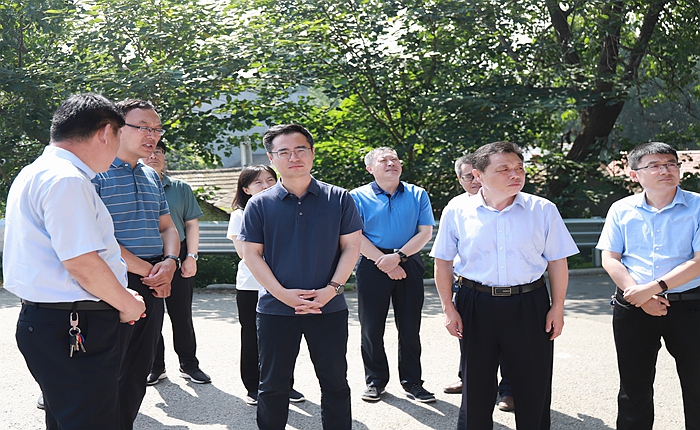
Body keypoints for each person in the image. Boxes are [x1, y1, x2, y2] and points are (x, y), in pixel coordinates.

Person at [4, 93, 146, 429]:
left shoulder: (36, 172)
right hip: (75, 324)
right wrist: (127, 303)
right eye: (118, 136)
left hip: (51, 321)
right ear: (105, 133)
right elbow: (81, 262)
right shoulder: (67, 179)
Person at [431, 141, 578, 429]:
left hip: (529, 302)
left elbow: (557, 262)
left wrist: (557, 307)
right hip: (475, 301)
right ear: (478, 175)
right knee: (476, 386)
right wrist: (448, 308)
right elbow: (443, 262)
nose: (515, 174)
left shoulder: (542, 209)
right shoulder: (458, 209)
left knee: (533, 386)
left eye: (519, 168)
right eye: (504, 169)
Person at [239, 124, 363, 430]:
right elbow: (251, 254)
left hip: (328, 306)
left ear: (312, 153)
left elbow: (351, 247)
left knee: (335, 383)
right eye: (284, 152)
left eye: (300, 150)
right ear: (271, 158)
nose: (293, 157)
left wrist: (332, 289)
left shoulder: (339, 198)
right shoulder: (259, 203)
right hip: (276, 309)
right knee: (273, 385)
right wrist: (283, 294)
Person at [596, 142, 700, 430]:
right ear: (634, 174)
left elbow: (699, 261)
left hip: (690, 305)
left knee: (697, 385)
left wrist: (652, 288)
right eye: (655, 165)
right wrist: (640, 297)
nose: (665, 170)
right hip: (634, 306)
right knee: (634, 388)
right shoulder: (621, 209)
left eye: (671, 163)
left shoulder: (698, 206)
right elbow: (610, 258)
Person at [92, 99, 180, 430]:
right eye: (143, 127)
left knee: (138, 369)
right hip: (114, 280)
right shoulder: (95, 175)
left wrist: (170, 262)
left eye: (157, 129)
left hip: (156, 278)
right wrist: (151, 271)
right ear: (116, 128)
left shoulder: (151, 175)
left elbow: (167, 227)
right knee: (106, 371)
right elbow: (96, 239)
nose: (152, 135)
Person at [350, 147, 436, 404]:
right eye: (383, 160)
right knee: (371, 327)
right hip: (371, 263)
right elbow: (355, 236)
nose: (391, 163)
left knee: (410, 327)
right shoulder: (357, 196)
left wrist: (398, 258)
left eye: (394, 159)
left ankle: (413, 382)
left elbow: (425, 232)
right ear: (370, 169)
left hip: (408, 260)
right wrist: (384, 262)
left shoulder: (417, 193)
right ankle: (375, 381)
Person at [226, 164, 305, 406]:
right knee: (252, 336)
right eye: (258, 182)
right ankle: (253, 386)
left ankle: (285, 384)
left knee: (284, 337)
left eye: (270, 180)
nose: (266, 186)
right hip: (252, 286)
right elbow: (246, 254)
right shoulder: (240, 215)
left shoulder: (286, 209)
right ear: (246, 189)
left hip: (286, 283)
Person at [443, 154, 514, 413]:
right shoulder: (457, 206)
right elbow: (444, 257)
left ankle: (508, 390)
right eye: (467, 176)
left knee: (509, 345)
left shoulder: (512, 202)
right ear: (460, 179)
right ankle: (468, 379)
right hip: (469, 286)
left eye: (476, 175)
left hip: (509, 288)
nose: (474, 181)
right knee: (470, 341)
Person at [144, 140, 211, 385]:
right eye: (149, 151)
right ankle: (155, 366)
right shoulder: (132, 186)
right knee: (150, 316)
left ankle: (189, 364)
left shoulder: (180, 188)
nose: (154, 155)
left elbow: (191, 224)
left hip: (178, 254)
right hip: (145, 256)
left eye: (159, 151)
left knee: (181, 315)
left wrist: (191, 256)